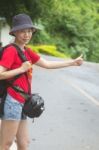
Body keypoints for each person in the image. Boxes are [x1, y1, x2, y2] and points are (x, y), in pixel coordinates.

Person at [0, 13, 83, 150]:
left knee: (24, 143)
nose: (26, 34)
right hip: (13, 102)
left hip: (23, 101)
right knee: (6, 144)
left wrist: (72, 63)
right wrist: (21, 69)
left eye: (29, 31)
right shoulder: (11, 51)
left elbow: (47, 64)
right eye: (22, 31)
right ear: (14, 32)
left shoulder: (27, 51)